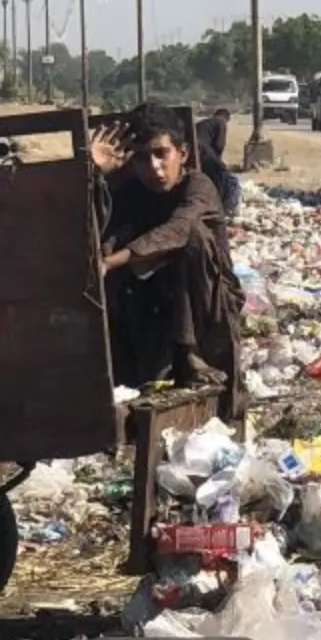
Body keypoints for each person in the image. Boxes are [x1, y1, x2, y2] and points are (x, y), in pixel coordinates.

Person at [91, 103, 246, 424]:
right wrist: (96, 175)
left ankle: (190, 353)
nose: (155, 168)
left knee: (193, 239)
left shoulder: (199, 187)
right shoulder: (131, 192)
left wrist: (111, 261)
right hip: (151, 301)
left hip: (208, 302)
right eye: (143, 157)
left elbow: (178, 230)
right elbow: (96, 229)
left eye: (162, 154)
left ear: (183, 153)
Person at [195, 106, 241, 218]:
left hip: (194, 152)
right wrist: (220, 163)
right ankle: (224, 208)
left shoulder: (203, 123)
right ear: (226, 118)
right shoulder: (220, 122)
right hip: (204, 151)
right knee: (226, 178)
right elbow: (219, 146)